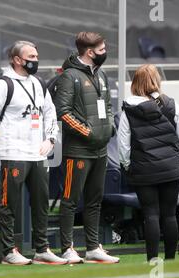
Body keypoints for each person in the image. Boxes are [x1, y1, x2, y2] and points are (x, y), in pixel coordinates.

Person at [0, 40, 67, 265]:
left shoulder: (38, 83)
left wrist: (50, 139)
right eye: (31, 57)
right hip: (13, 153)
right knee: (9, 203)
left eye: (36, 56)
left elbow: (50, 112)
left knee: (40, 203)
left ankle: (42, 249)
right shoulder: (4, 84)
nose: (35, 61)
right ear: (17, 60)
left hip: (37, 153)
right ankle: (9, 251)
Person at [53, 32, 119, 264]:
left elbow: (108, 106)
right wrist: (88, 133)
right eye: (102, 49)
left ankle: (93, 247)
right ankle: (67, 248)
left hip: (101, 149)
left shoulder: (102, 75)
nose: (105, 52)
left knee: (95, 199)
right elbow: (63, 113)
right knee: (70, 200)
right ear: (90, 52)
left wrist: (108, 128)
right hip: (78, 150)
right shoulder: (69, 76)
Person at [117, 64, 179, 262]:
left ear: (135, 83)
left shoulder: (128, 111)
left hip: (143, 169)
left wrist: (127, 165)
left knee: (151, 214)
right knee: (169, 215)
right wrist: (175, 158)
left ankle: (152, 260)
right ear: (157, 81)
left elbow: (123, 144)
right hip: (171, 168)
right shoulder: (173, 105)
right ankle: (171, 259)